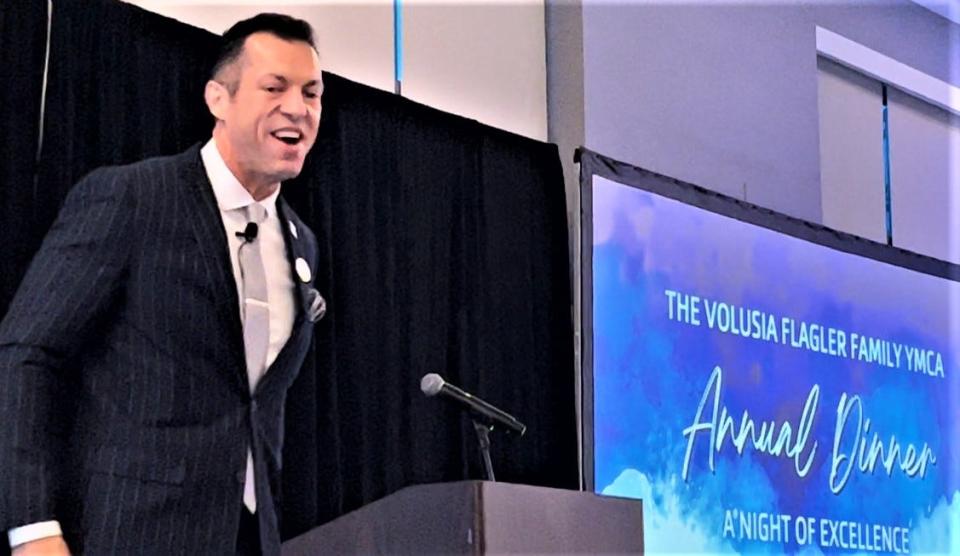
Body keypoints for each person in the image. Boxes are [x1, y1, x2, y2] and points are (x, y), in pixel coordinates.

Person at [0, 13, 325, 555]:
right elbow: (27, 356)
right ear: (218, 99)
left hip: (247, 537)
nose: (299, 108)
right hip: (128, 532)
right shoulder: (134, 198)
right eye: (275, 88)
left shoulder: (300, 242)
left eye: (312, 93)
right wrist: (33, 529)